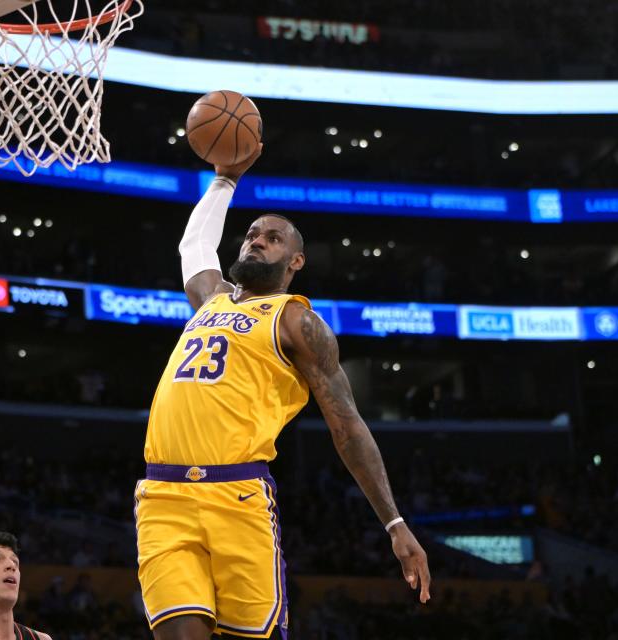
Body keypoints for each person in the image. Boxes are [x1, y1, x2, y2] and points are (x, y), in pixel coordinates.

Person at [134, 145, 431, 640]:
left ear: (296, 260)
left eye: (272, 238)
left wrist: (394, 522)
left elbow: (347, 425)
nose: (256, 241)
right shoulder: (211, 298)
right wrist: (225, 180)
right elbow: (193, 245)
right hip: (164, 498)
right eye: (252, 234)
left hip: (239, 498)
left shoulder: (298, 321)